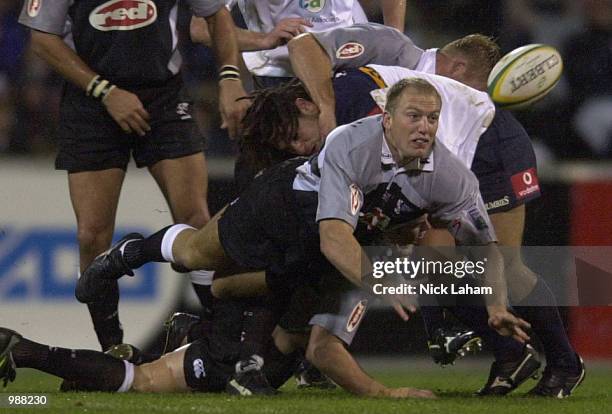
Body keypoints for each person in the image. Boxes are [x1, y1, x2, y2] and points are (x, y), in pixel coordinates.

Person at [77, 78, 531, 398]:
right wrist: (380, 280)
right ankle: (129, 253)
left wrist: (494, 304)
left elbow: (484, 245)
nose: (425, 127)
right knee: (195, 253)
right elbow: (335, 239)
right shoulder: (351, 144)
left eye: (432, 118)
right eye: (413, 116)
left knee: (230, 289)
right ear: (387, 119)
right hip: (283, 207)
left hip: (336, 238)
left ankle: (203, 338)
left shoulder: (450, 177)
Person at [286, 23, 586, 397]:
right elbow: (303, 47)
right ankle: (506, 351)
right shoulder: (390, 69)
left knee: (502, 262)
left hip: (494, 147)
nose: (300, 146)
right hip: (448, 151)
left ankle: (564, 363)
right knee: (429, 259)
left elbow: (304, 48)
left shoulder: (401, 108)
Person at [17, 0, 250, 351]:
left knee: (196, 221)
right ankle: (113, 349)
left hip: (163, 94)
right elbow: (43, 39)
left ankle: (227, 336)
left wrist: (230, 77)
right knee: (92, 236)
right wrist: (105, 91)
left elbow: (217, 14)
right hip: (91, 102)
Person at [189, 0, 406, 88]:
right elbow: (200, 28)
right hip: (282, 81)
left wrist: (394, 39)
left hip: (352, 73)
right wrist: (263, 40)